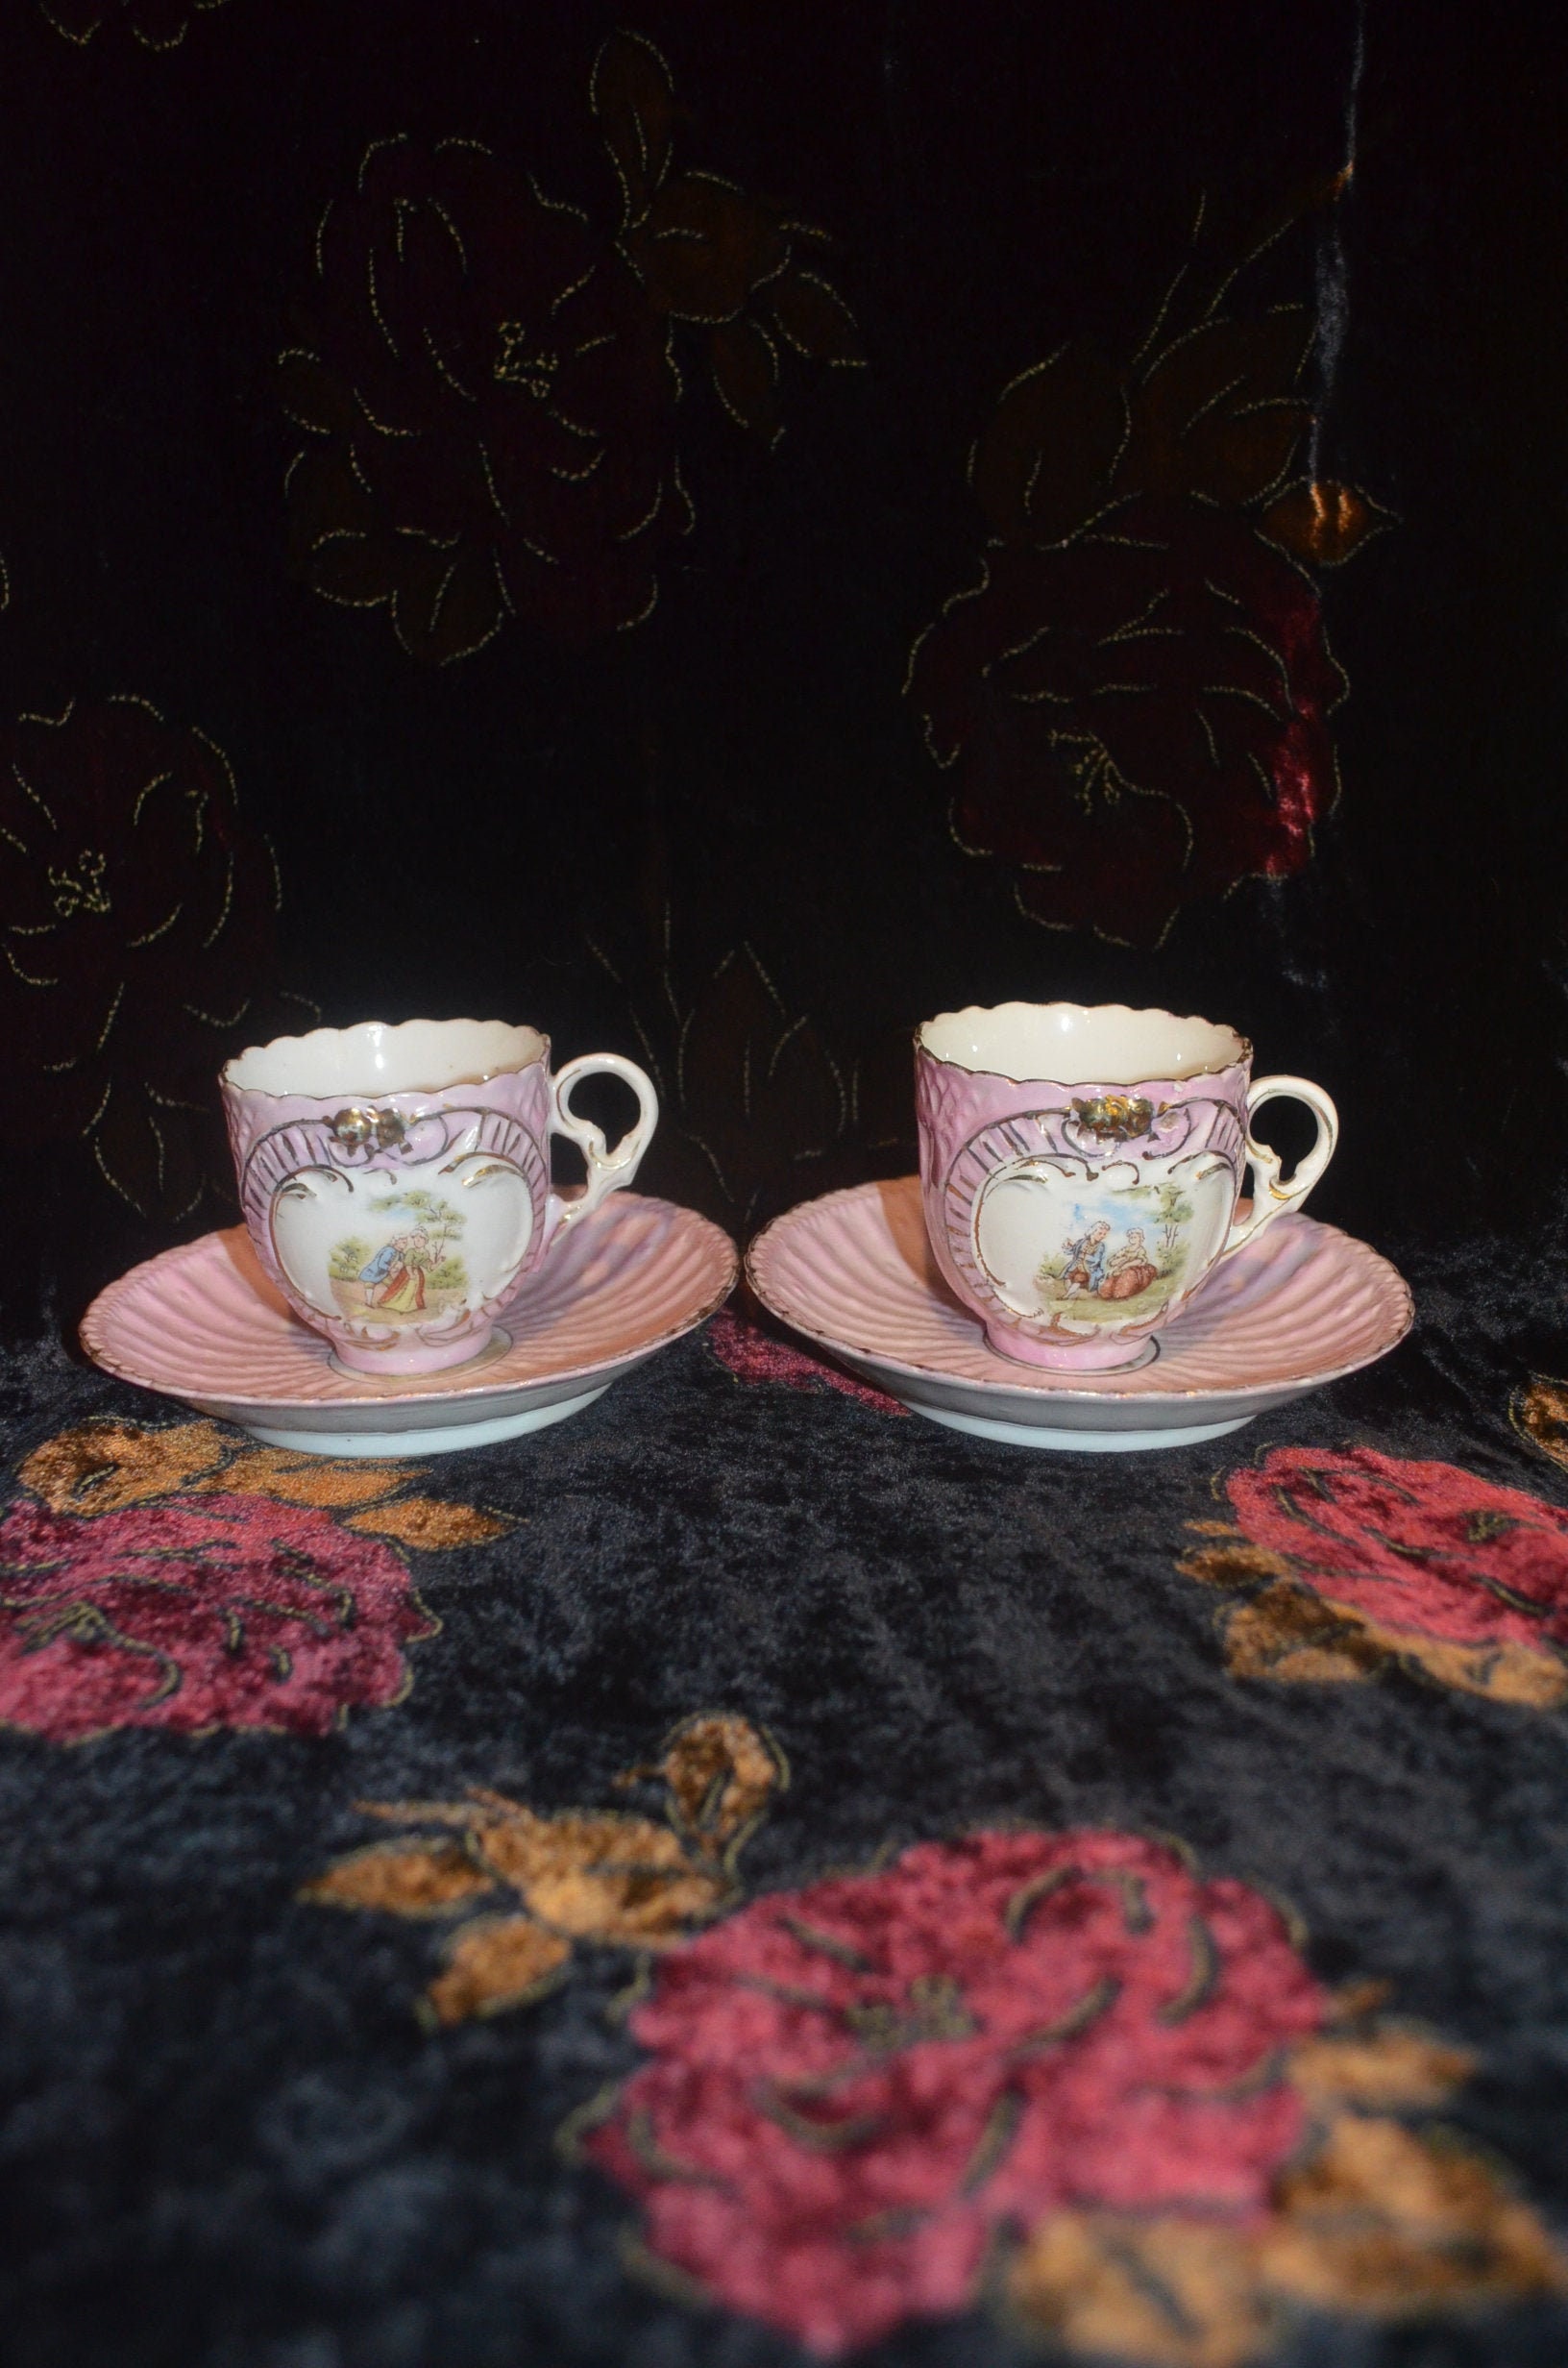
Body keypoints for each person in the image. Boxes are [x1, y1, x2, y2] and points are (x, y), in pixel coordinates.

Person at [373, 1230, 430, 1315]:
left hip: (418, 1274)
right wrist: (411, 1274)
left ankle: (412, 1306)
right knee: (404, 1288)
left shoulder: (426, 1253)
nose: (417, 1240)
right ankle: (402, 1306)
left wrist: (439, 1261)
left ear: (425, 1240)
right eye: (415, 1238)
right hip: (407, 1272)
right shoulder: (411, 1251)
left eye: (420, 1238)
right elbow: (407, 1264)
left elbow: (428, 1266)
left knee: (414, 1290)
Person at [1099, 1225, 1160, 1301]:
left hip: (1134, 1269)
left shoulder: (1140, 1249)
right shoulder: (1126, 1249)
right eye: (1131, 1237)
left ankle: (1121, 1295)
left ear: (1140, 1239)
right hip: (1120, 1269)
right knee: (1109, 1283)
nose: (1132, 1239)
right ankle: (1108, 1294)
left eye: (1135, 1237)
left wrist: (1126, 1265)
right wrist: (1118, 1260)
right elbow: (1113, 1259)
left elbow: (1139, 1260)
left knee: (1127, 1277)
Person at [1061, 1219, 1111, 1296]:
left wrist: (1084, 1256)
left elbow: (1096, 1260)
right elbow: (1073, 1251)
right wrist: (1067, 1246)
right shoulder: (1082, 1241)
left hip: (1089, 1270)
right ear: (1093, 1231)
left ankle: (1066, 1296)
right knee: (1067, 1276)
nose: (1102, 1236)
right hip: (1075, 1266)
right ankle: (1070, 1293)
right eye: (1100, 1233)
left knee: (1078, 1278)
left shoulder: (1101, 1246)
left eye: (1104, 1234)